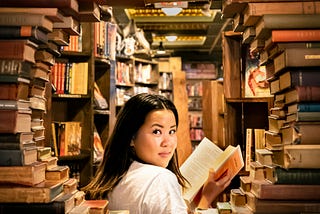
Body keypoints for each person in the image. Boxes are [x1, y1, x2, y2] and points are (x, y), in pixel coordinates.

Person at [82, 93, 232, 213]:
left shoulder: (114, 179)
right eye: (156, 131)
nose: (167, 142)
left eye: (172, 131)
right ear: (131, 138)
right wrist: (206, 199)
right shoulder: (160, 179)